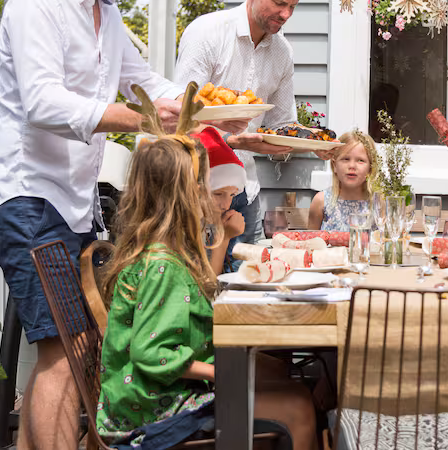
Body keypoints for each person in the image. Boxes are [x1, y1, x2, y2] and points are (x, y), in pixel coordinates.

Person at [0, 0, 247, 450]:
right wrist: (141, 121)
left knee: (72, 347)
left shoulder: (105, 10)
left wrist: (214, 116)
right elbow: (43, 103)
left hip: (73, 199)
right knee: (66, 349)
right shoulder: (40, 1)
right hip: (27, 197)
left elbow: (149, 85)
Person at [95, 130, 317, 449]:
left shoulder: (166, 250)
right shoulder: (164, 266)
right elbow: (151, 352)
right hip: (155, 410)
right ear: (182, 197)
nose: (219, 199)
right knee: (299, 408)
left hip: (153, 396)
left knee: (291, 389)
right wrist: (219, 372)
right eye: (206, 188)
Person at [174, 0, 316, 253]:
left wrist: (313, 144)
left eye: (293, 6)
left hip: (245, 189)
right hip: (198, 189)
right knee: (200, 284)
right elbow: (181, 117)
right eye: (279, 3)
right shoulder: (207, 33)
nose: (286, 14)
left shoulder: (283, 52)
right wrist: (235, 140)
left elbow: (281, 125)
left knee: (242, 284)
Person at [197, 127, 248, 273]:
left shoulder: (208, 222)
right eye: (218, 194)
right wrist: (224, 238)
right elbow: (207, 286)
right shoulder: (186, 228)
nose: (226, 205)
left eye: (232, 195)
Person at [307, 130, 378, 230]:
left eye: (360, 160)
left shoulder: (378, 203)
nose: (352, 166)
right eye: (346, 159)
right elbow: (311, 242)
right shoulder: (321, 201)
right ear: (334, 165)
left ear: (370, 168)